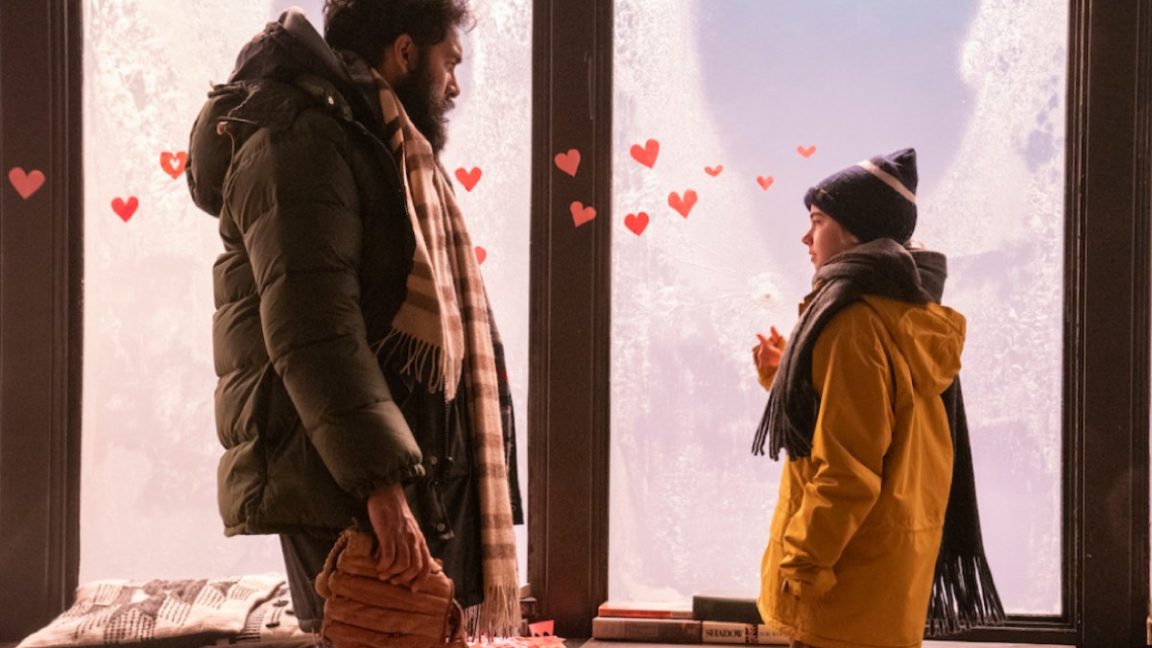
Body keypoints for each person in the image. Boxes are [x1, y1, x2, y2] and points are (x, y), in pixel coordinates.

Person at [186, 0, 522, 638]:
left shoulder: (373, 143)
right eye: (450, 62)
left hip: (392, 480)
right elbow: (315, 332)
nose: (455, 85)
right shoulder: (302, 141)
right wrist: (381, 487)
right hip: (353, 492)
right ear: (404, 52)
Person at [750, 149, 1000, 648]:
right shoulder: (903, 312)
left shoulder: (852, 324)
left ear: (854, 232)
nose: (806, 237)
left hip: (843, 588)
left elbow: (849, 471)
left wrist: (802, 562)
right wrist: (783, 375)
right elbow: (872, 414)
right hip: (882, 576)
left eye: (817, 221)